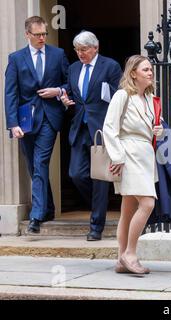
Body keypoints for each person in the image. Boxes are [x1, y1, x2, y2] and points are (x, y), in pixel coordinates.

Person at [4, 16, 69, 234]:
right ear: (27, 34)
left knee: (41, 162)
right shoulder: (15, 58)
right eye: (38, 34)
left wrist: (57, 91)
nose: (42, 38)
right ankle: (48, 207)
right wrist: (12, 124)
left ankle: (36, 216)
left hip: (50, 118)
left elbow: (69, 82)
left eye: (44, 34)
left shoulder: (57, 55)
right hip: (26, 120)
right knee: (33, 166)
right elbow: (10, 93)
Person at [102, 55, 164, 275]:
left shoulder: (151, 99)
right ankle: (130, 253)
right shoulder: (122, 96)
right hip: (129, 154)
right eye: (146, 69)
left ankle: (121, 258)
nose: (150, 73)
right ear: (133, 73)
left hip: (146, 154)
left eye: (150, 70)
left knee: (128, 209)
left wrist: (159, 130)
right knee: (147, 203)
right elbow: (110, 128)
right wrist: (117, 157)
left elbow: (154, 126)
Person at [61, 31, 122, 241]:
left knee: (100, 179)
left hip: (101, 130)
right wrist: (63, 97)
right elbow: (70, 90)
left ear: (95, 48)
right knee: (76, 174)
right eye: (77, 50)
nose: (80, 54)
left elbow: (120, 95)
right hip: (79, 128)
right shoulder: (73, 68)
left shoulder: (110, 66)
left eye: (84, 49)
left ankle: (96, 226)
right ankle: (100, 204)